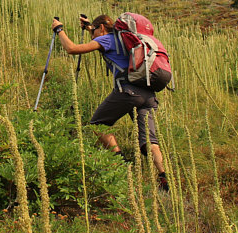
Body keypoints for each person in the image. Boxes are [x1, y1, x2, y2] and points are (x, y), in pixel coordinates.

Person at [51, 14, 169, 192]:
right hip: (148, 94)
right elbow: (101, 36)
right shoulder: (127, 39)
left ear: (102, 28)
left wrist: (59, 30)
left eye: (94, 32)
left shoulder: (107, 39)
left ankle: (122, 165)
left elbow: (72, 49)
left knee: (97, 124)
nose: (92, 36)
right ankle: (164, 178)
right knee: (149, 140)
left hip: (128, 92)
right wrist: (90, 27)